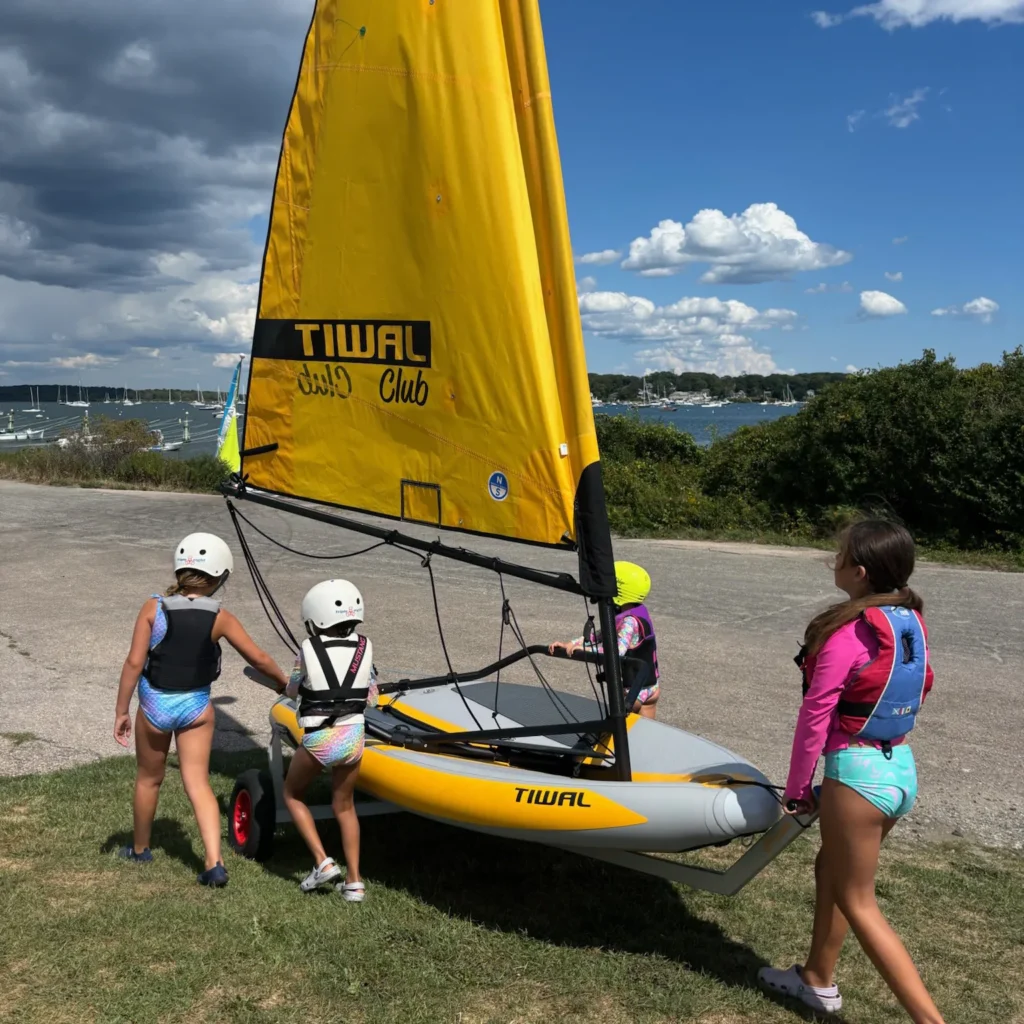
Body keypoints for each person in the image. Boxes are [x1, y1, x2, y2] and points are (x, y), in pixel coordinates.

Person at [758, 520, 944, 1022]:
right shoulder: (910, 622)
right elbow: (918, 685)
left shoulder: (850, 632)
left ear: (858, 573)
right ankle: (817, 979)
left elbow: (815, 714)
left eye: (838, 556)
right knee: (830, 869)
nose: (831, 561)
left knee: (859, 902)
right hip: (898, 769)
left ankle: (930, 1019)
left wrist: (798, 788)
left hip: (859, 776)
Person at [114, 532, 289, 887]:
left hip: (154, 706)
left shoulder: (154, 608)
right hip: (196, 707)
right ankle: (213, 862)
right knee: (198, 782)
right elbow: (259, 658)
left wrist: (121, 711)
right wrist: (283, 683)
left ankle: (140, 849)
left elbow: (134, 663)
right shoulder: (220, 616)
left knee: (149, 779)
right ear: (220, 576)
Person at [282, 578, 378, 901]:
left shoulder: (308, 649)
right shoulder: (366, 646)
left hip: (321, 738)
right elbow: (373, 697)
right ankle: (354, 882)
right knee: (345, 805)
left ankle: (323, 863)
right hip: (353, 737)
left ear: (316, 618)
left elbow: (293, 687)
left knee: (292, 794)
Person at [548, 560, 660, 718]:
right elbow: (598, 636)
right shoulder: (636, 612)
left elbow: (616, 652)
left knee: (617, 731)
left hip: (633, 690)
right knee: (645, 737)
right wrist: (572, 643)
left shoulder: (629, 622)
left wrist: (586, 650)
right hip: (650, 686)